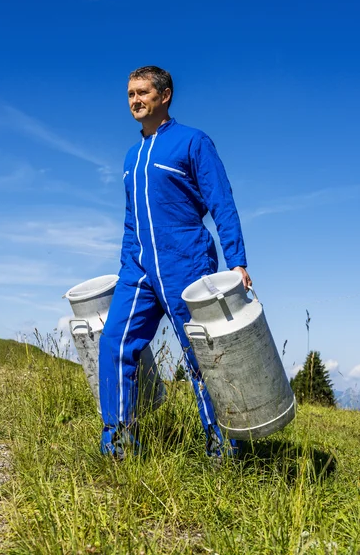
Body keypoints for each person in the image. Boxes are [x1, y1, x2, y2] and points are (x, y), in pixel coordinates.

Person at [99, 66, 251, 459]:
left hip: (187, 263)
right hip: (139, 269)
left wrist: (237, 261)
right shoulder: (131, 157)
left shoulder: (192, 143)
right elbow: (132, 219)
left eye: (143, 92)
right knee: (115, 344)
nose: (135, 100)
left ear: (164, 96)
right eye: (130, 93)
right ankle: (117, 441)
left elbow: (222, 202)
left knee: (201, 356)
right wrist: (127, 266)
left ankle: (222, 447)